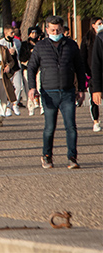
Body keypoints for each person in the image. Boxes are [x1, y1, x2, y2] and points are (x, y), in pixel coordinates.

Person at [26, 15, 88, 170]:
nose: (55, 32)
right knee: (49, 127)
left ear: (63, 29)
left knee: (71, 127)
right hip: (48, 93)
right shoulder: (40, 47)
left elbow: (80, 68)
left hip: (68, 92)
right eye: (52, 29)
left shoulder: (71, 45)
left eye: (58, 29)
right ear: (47, 29)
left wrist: (81, 89)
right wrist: (32, 88)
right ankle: (47, 156)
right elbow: (32, 68)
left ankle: (72, 157)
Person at [80, 17, 101, 132]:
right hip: (92, 73)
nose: (101, 25)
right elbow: (82, 56)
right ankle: (96, 121)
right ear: (93, 25)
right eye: (99, 23)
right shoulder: (88, 38)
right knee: (94, 99)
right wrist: (84, 73)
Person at [20, 27, 42, 115]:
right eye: (32, 33)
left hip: (39, 68)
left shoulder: (40, 44)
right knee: (29, 88)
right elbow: (21, 57)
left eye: (35, 33)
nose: (34, 35)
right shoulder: (24, 45)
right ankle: (30, 107)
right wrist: (30, 53)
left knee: (40, 87)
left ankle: (42, 106)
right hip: (27, 68)